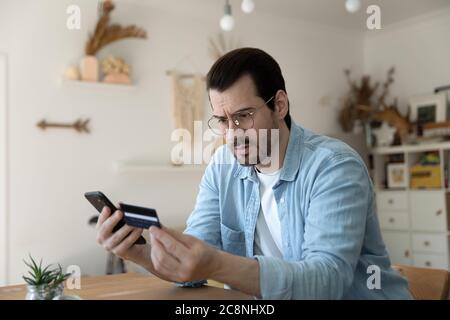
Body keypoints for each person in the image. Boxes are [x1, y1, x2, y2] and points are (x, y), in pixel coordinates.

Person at [96, 48, 411, 299]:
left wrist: (216, 263)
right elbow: (192, 265)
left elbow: (326, 284)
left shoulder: (334, 167)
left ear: (280, 105)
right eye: (222, 120)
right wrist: (141, 253)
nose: (232, 134)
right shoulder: (223, 166)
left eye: (243, 116)